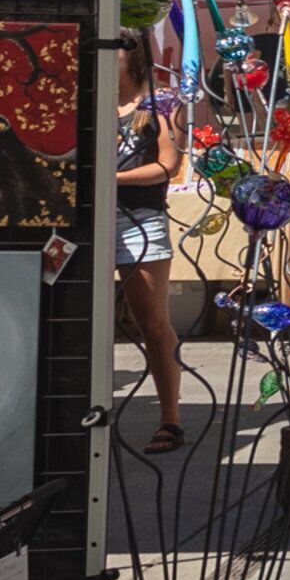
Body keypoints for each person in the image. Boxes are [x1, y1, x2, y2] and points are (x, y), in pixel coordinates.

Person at [115, 59, 189, 454]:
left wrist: (110, 178)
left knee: (152, 322)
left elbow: (168, 166)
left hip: (139, 218)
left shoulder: (161, 103)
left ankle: (170, 419)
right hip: (90, 219)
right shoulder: (92, 97)